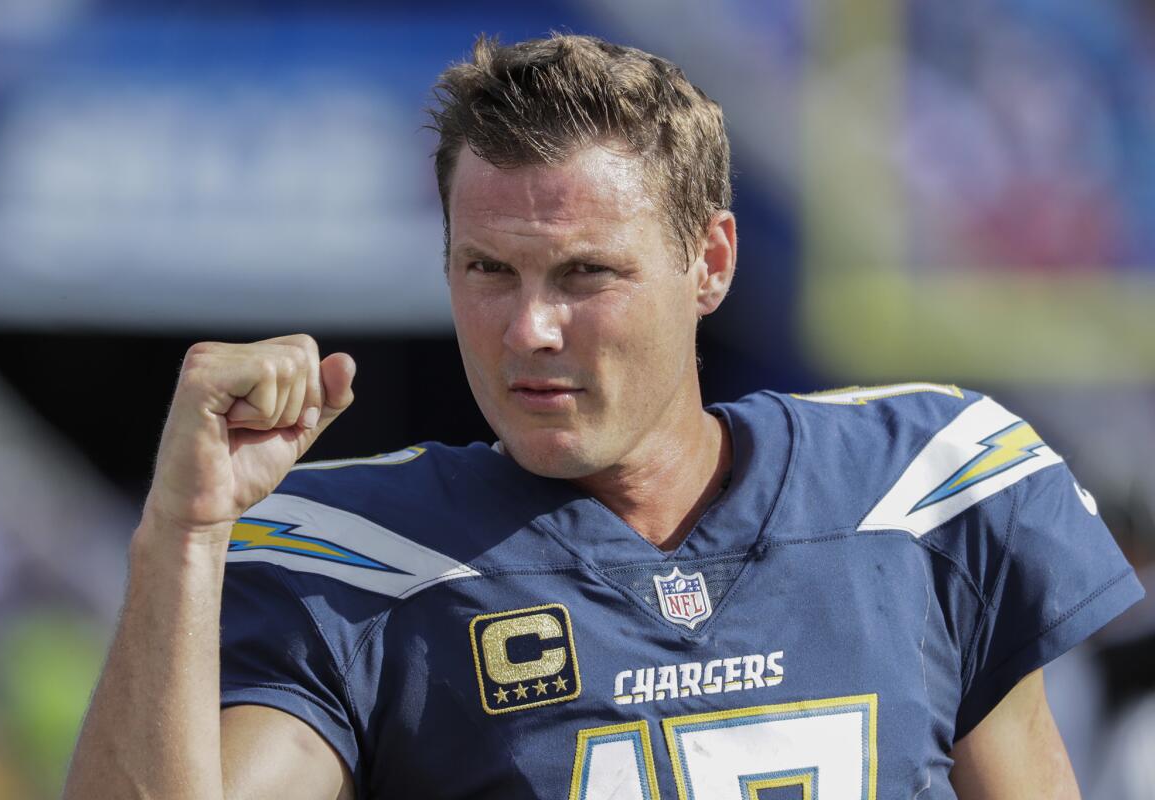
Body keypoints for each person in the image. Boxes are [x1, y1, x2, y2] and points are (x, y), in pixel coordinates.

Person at [65, 33, 1143, 799]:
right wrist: (185, 535)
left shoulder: (920, 489)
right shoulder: (361, 563)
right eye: (488, 268)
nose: (529, 325)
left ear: (708, 260)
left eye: (586, 272)